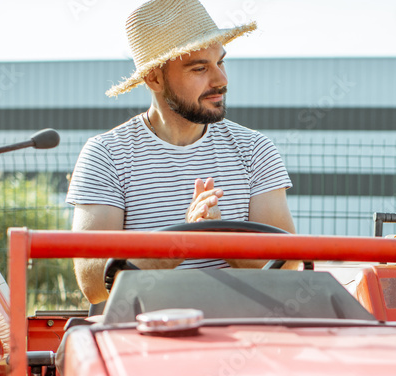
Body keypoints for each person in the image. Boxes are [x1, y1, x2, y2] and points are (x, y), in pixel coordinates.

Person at [67, 0, 296, 304]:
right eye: (200, 68)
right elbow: (92, 283)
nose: (221, 81)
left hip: (246, 330)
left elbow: (289, 266)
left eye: (221, 62)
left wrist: (221, 237)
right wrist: (181, 241)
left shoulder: (255, 150)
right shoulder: (106, 154)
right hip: (146, 338)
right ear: (154, 78)